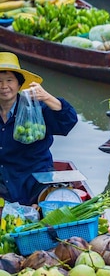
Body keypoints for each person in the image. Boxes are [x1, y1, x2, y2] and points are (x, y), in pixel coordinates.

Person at [0, 52, 78, 206]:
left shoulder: (35, 109)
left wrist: (47, 97)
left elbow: (68, 121)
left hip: (35, 179)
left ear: (19, 84)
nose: (4, 86)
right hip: (4, 179)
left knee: (46, 203)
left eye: (9, 80)